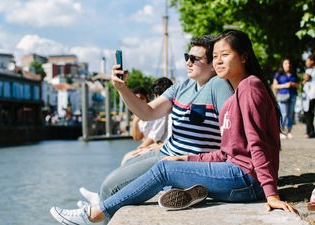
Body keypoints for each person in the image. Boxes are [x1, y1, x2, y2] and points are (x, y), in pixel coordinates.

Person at [50, 30, 298, 224]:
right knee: (170, 165)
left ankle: (93, 214)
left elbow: (258, 144)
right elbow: (227, 152)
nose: (218, 61)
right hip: (237, 175)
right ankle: (193, 192)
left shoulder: (249, 86)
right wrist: (189, 158)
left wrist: (271, 194)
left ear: (243, 57)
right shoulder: (232, 96)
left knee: (164, 170)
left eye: (225, 55)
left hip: (248, 181)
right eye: (215, 56)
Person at [78, 35, 234, 207]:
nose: (188, 63)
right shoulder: (181, 88)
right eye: (186, 57)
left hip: (180, 162)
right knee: (123, 166)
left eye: (194, 59)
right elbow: (147, 112)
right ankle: (99, 201)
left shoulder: (219, 86)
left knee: (110, 186)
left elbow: (231, 135)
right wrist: (122, 88)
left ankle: (97, 208)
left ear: (212, 64)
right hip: (166, 151)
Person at [121, 78, 173, 165]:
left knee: (128, 158)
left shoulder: (161, 111)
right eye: (136, 99)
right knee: (128, 158)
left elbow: (154, 137)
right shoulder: (141, 116)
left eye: (141, 98)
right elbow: (137, 137)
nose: (138, 102)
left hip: (161, 148)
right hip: (157, 147)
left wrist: (140, 149)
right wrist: (135, 122)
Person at [272, 58, 299, 139]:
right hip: (282, 96)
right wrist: (284, 85)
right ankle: (281, 131)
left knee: (291, 115)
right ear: (282, 65)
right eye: (286, 63)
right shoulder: (278, 74)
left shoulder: (294, 74)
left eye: (289, 63)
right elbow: (275, 86)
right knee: (283, 114)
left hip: (292, 96)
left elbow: (298, 86)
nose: (288, 65)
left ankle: (289, 131)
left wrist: (293, 84)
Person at [302, 54, 315, 138]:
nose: (306, 62)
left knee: (309, 113)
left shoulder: (312, 71)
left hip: (312, 95)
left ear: (312, 61)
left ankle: (310, 132)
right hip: (308, 95)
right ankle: (310, 131)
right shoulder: (308, 70)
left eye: (307, 60)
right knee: (308, 113)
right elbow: (304, 82)